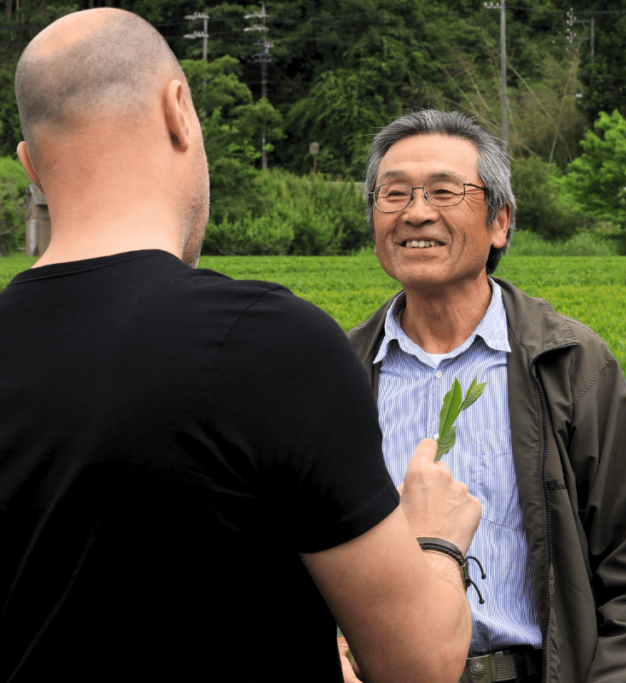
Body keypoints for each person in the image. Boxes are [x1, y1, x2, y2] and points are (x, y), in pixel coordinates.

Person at [0, 11, 481, 682]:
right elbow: (421, 663)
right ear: (179, 113)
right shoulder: (268, 343)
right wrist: (435, 537)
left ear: (31, 165)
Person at [346, 110, 626, 683]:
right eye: (394, 193)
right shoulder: (339, 374)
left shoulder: (569, 363)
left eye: (442, 191)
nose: (416, 212)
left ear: (500, 222)